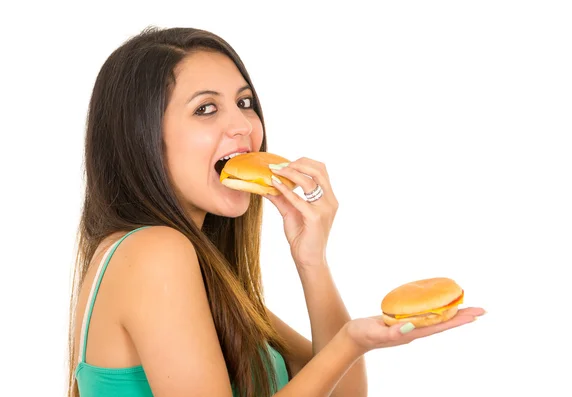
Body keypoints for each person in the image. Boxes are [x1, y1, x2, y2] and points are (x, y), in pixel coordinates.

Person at [66, 26, 485, 397]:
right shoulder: (155, 253)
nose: (245, 127)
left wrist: (312, 260)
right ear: (142, 140)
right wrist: (350, 342)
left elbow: (344, 395)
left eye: (245, 102)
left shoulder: (204, 275)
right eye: (206, 109)